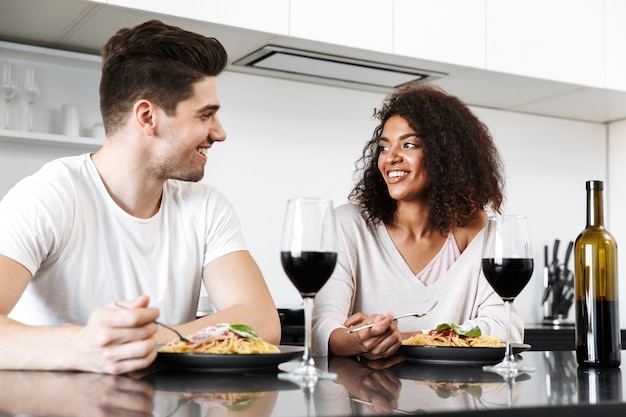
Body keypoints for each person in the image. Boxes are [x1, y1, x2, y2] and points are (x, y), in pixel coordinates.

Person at [0, 20, 280, 373]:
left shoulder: (207, 207)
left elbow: (262, 321)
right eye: (206, 115)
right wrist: (83, 346)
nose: (219, 133)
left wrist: (153, 339)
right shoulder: (49, 195)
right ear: (148, 117)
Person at [312, 82, 523, 358]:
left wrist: (408, 338)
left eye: (409, 144)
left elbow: (505, 328)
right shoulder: (349, 225)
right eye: (384, 147)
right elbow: (323, 327)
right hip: (367, 397)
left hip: (460, 398)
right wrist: (364, 340)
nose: (392, 158)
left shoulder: (485, 236)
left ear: (446, 156)